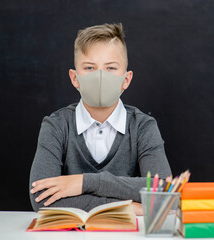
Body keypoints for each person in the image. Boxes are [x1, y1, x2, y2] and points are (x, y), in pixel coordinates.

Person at [29, 23, 172, 215]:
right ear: (74, 78)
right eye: (89, 67)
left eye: (111, 68)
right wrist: (126, 207)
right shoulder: (55, 125)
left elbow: (163, 190)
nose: (100, 77)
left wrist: (85, 182)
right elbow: (42, 198)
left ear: (126, 80)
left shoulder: (143, 127)